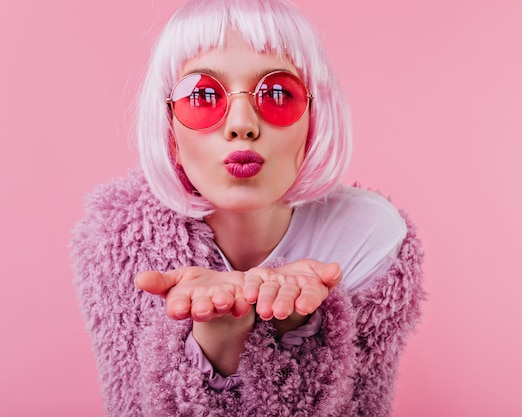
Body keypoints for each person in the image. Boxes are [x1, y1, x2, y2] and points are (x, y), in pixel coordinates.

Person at [72, 0, 425, 415]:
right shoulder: (121, 239)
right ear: (169, 131)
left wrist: (298, 330)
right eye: (202, 96)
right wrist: (216, 343)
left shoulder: (367, 236)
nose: (242, 124)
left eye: (277, 93)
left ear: (314, 120)